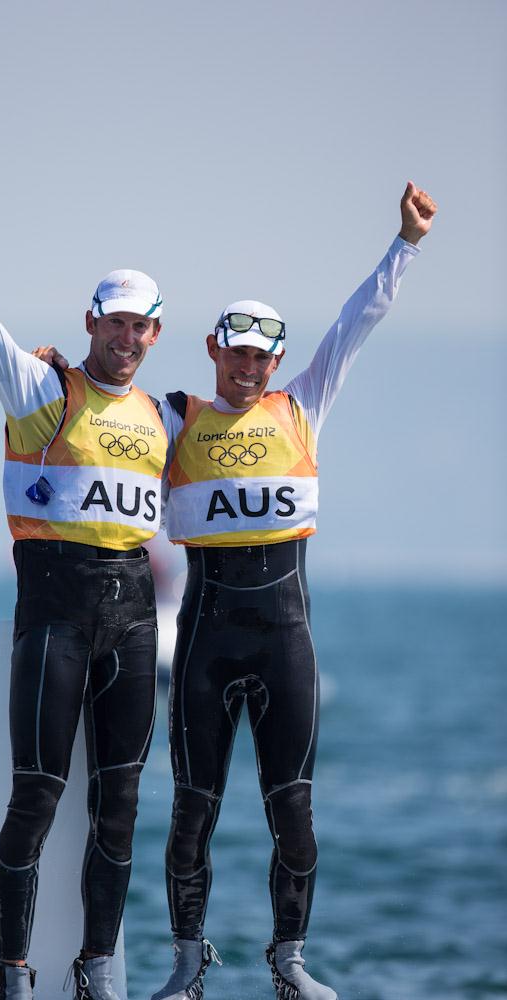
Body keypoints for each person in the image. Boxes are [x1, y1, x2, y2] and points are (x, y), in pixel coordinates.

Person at [149, 182, 437, 1000]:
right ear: (213, 349)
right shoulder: (175, 418)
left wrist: (406, 243)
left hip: (285, 641)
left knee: (294, 811)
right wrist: (56, 371)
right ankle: (186, 959)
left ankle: (288, 961)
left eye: (260, 358)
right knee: (192, 810)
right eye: (235, 354)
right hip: (205, 636)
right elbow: (105, 411)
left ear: (277, 361)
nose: (247, 368)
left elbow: (360, 319)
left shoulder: (302, 406)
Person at [0, 180, 168, 1000]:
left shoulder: (166, 416)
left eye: (139, 325)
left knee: (117, 808)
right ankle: (13, 972)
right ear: (91, 323)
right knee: (36, 798)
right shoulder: (40, 390)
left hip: (133, 618)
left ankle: (95, 970)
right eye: (113, 321)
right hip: (52, 610)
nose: (125, 336)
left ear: (155, 334)